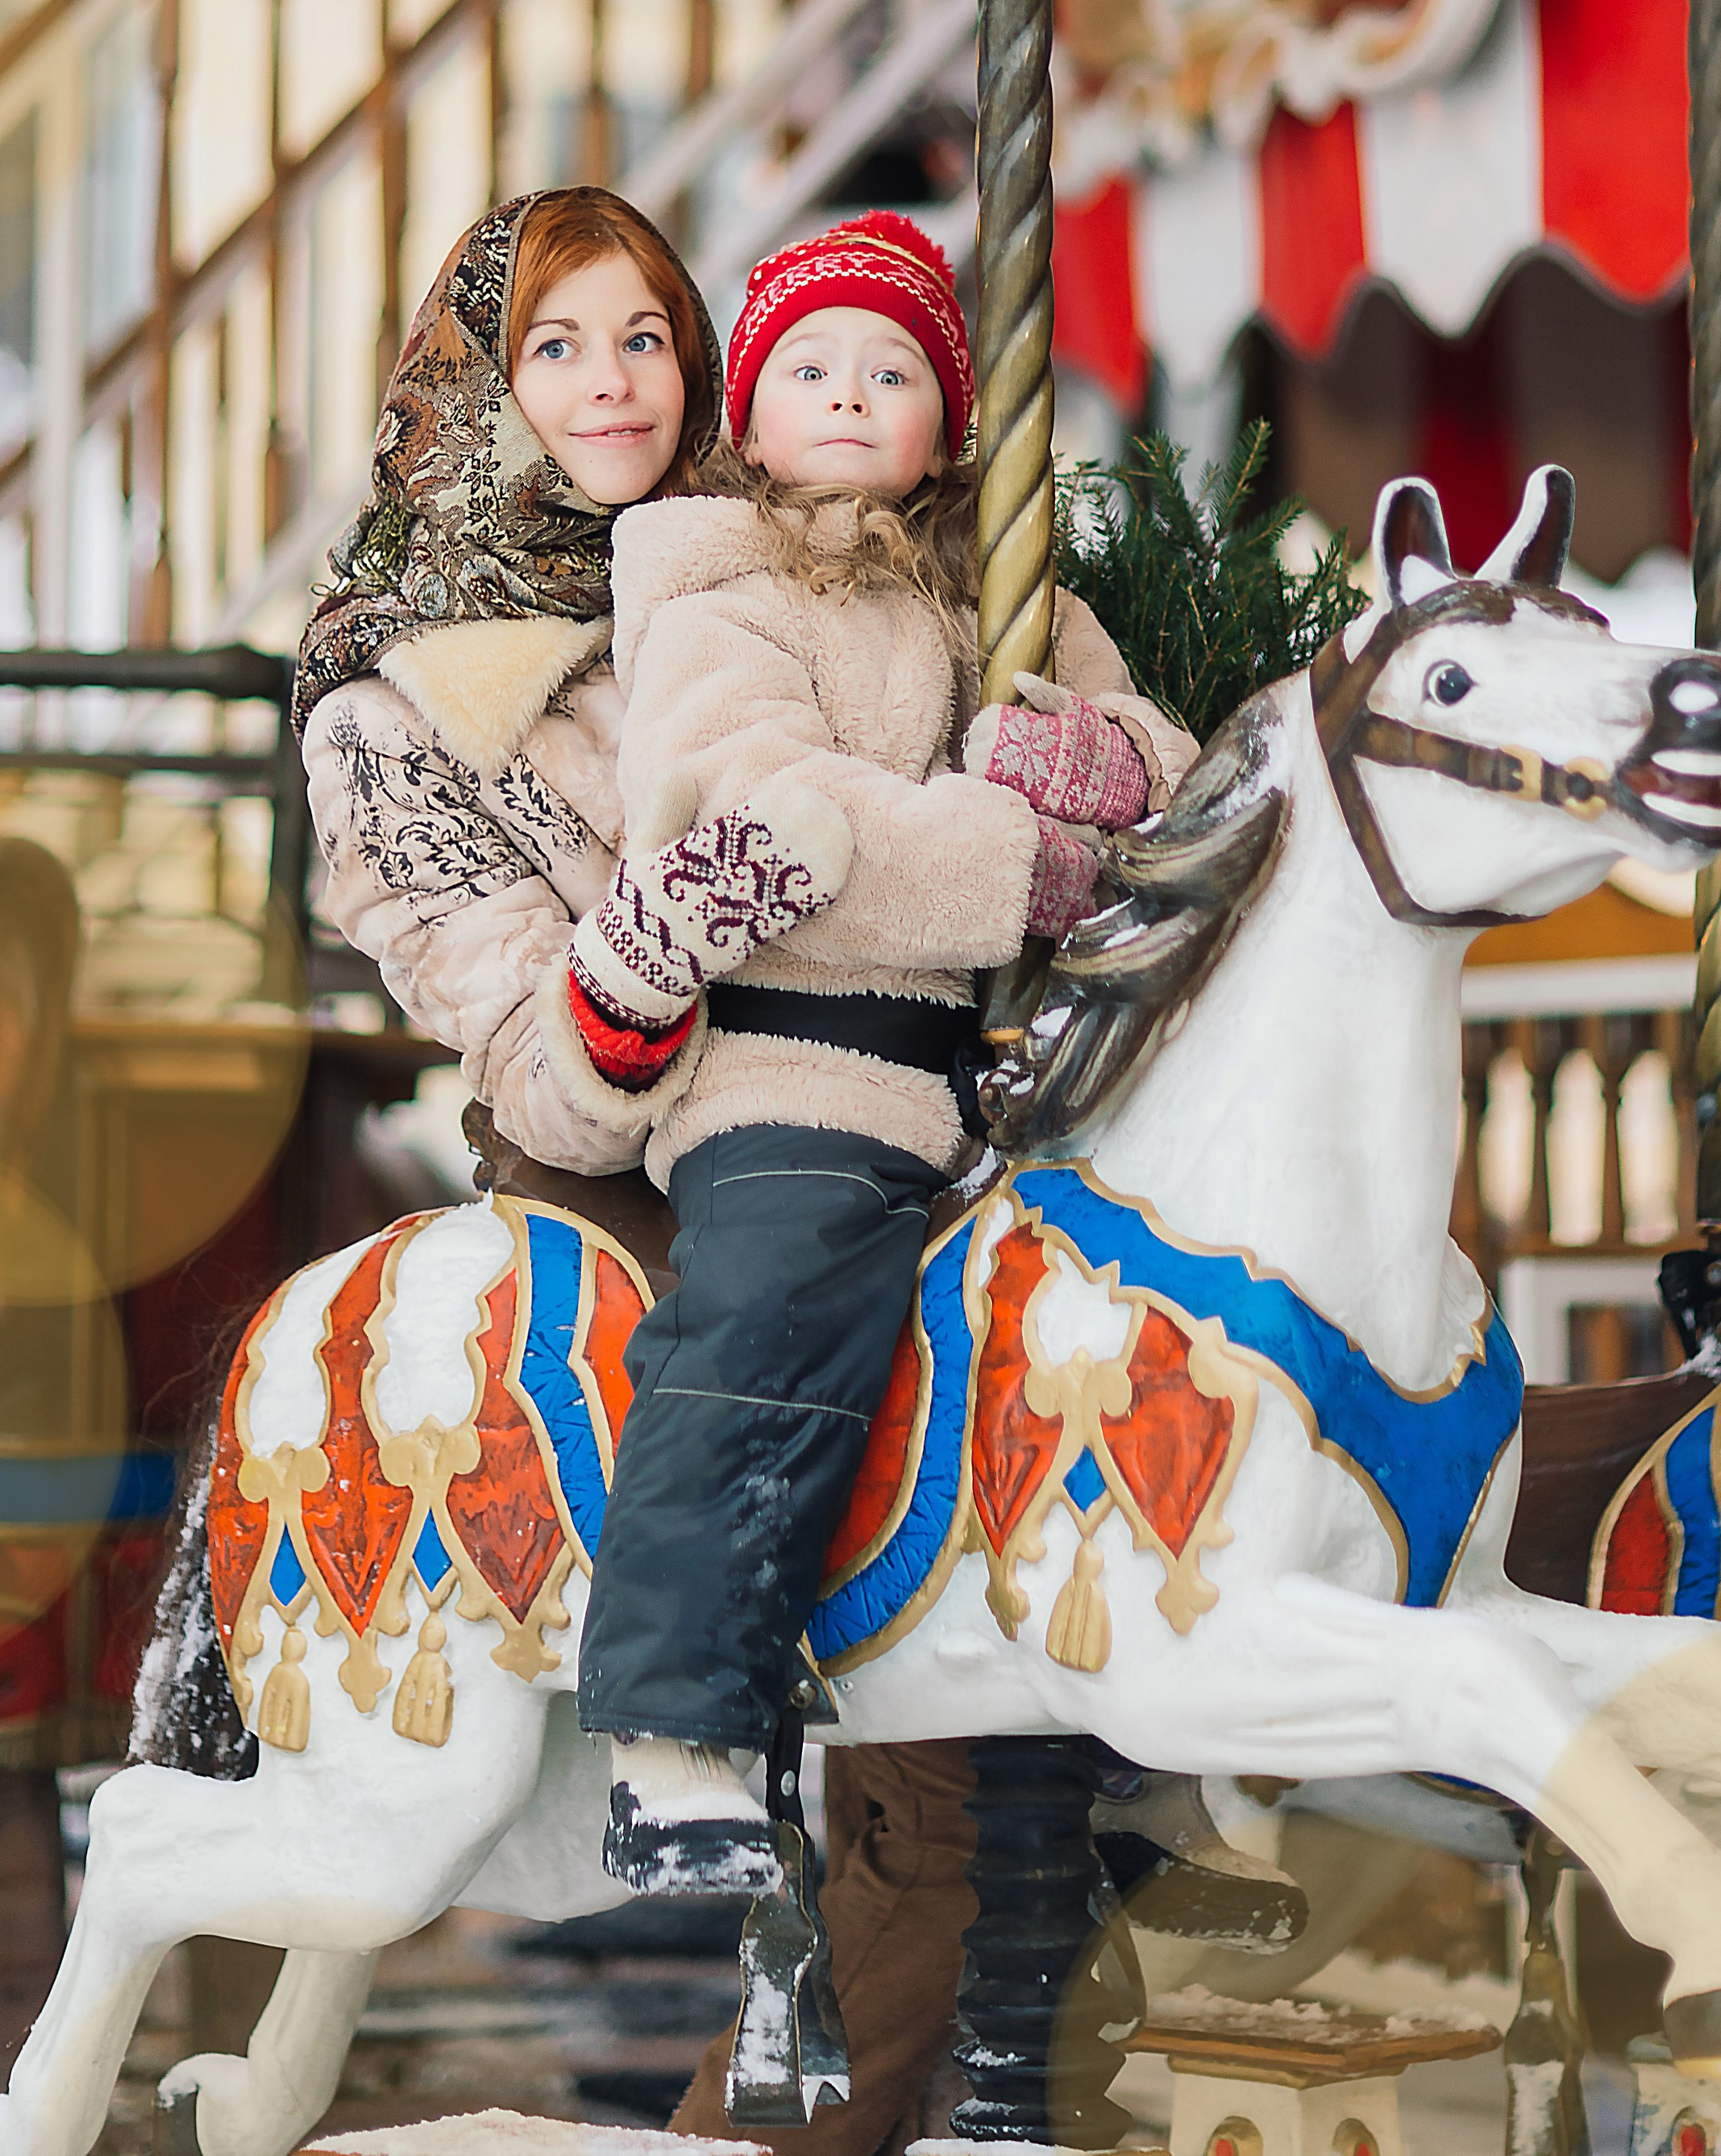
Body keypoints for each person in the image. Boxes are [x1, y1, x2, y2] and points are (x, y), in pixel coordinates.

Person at [561, 210, 1197, 1892]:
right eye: (812, 366)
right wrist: (1026, 860)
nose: (851, 396)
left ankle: (1135, 1713)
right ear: (748, 413)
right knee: (772, 1306)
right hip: (798, 1063)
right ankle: (670, 1725)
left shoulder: (997, 588)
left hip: (1005, 1084)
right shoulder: (713, 583)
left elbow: (1162, 752)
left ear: (946, 418)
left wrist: (1091, 762)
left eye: (895, 368)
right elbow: (764, 811)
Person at [298, 185, 847, 1219]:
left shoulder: (766, 556)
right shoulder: (386, 717)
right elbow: (535, 1074)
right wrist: (652, 956)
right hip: (646, 1195)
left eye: (644, 339)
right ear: (479, 387)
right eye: (556, 348)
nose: (613, 383)